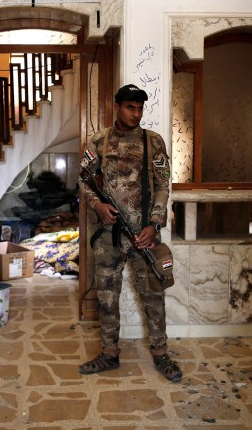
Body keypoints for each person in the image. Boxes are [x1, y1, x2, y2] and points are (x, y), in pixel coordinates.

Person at [78, 83, 182, 383]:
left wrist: (154, 224)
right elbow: (84, 178)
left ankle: (161, 354)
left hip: (144, 235)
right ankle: (109, 353)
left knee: (153, 295)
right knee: (107, 297)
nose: (135, 114)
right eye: (129, 107)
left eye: (139, 108)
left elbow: (163, 185)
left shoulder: (154, 142)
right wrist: (96, 204)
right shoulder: (99, 141)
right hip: (109, 237)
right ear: (117, 107)